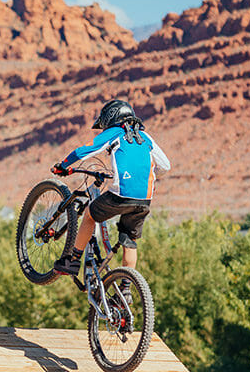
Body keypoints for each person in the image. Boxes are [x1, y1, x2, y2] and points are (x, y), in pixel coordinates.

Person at [49, 99, 170, 287]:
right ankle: (127, 288)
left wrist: (62, 166)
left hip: (121, 195)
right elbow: (165, 165)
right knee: (129, 240)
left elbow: (85, 151)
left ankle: (72, 261)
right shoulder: (146, 137)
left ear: (111, 117)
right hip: (145, 199)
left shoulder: (115, 132)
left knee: (89, 214)